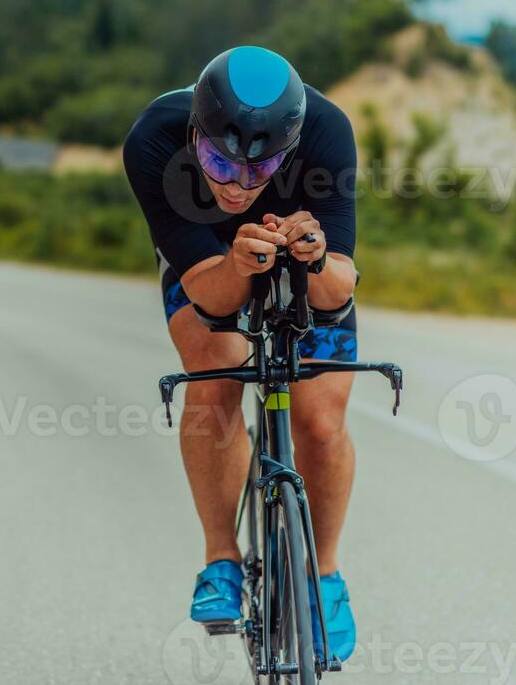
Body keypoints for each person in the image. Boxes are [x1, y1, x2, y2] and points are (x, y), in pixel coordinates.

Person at [123, 45, 359, 662]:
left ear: (291, 148)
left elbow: (336, 294)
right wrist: (235, 261)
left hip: (298, 251)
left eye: (260, 171)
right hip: (208, 258)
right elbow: (206, 293)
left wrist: (311, 257)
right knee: (216, 369)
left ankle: (326, 577)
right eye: (217, 164)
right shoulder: (154, 139)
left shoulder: (328, 132)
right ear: (194, 133)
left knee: (321, 419)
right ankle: (220, 559)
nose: (237, 185)